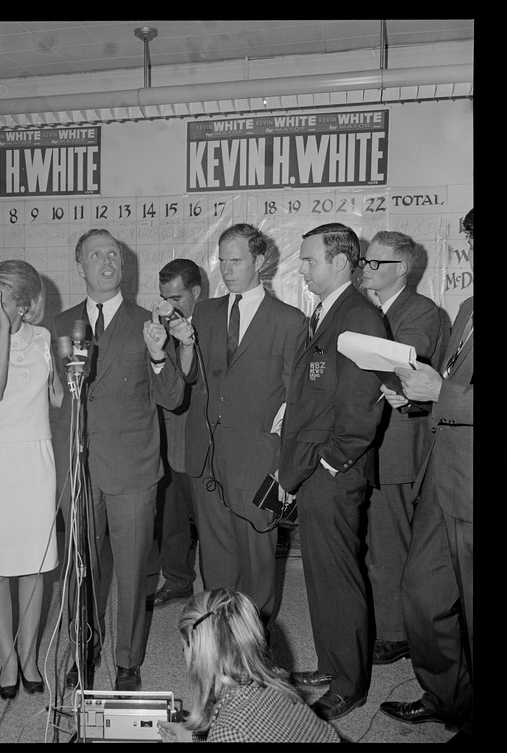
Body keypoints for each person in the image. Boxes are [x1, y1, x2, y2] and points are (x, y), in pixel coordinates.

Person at [49, 228, 183, 692]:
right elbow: (49, 400)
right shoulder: (57, 326)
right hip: (79, 471)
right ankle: (82, 649)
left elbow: (172, 397)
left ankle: (128, 659)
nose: (107, 262)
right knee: (80, 570)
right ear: (79, 264)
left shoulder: (148, 322)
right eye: (96, 255)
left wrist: (158, 354)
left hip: (132, 468)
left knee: (131, 572)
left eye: (114, 255)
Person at [167, 224, 306, 628]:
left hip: (259, 461)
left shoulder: (288, 321)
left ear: (260, 262)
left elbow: (296, 401)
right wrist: (185, 345)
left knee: (258, 562)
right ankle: (217, 639)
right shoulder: (205, 312)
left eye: (236, 261)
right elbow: (189, 379)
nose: (226, 270)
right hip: (207, 458)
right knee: (215, 557)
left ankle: (255, 647)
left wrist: (283, 466)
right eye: (222, 261)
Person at [278, 222, 386, 721]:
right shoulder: (327, 313)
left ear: (340, 261)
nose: (301, 270)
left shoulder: (358, 315)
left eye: (309, 260)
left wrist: (329, 462)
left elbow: (363, 406)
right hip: (316, 465)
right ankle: (330, 664)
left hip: (334, 470)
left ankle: (349, 682)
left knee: (338, 575)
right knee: (320, 574)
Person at [379, 209, 473, 736]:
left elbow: (453, 392)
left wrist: (444, 393)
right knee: (422, 591)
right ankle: (447, 697)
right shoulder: (468, 308)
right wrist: (416, 399)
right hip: (444, 475)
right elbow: (445, 390)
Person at [0, 260, 64, 700]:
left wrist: (75, 369)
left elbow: (57, 396)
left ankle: (29, 654)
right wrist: (3, 330)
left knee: (34, 567)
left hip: (35, 461)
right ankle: (6, 658)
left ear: (23, 304)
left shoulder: (42, 338)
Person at [359, 231, 447, 666]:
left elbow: (406, 361)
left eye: (376, 263)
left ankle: (394, 634)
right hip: (368, 439)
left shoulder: (421, 311)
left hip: (397, 443)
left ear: (403, 270)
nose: (366, 269)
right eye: (365, 261)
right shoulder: (369, 308)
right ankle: (388, 619)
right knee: (376, 541)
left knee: (390, 542)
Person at [157, 589, 340, 743]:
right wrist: (194, 737)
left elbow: (235, 734)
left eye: (185, 646)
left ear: (199, 655)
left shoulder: (229, 731)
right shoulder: (274, 678)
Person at [152, 259, 204, 608]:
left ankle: (218, 589)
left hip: (202, 442)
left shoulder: (214, 324)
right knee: (170, 519)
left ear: (196, 292)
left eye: (176, 298)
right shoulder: (157, 326)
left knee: (209, 522)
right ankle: (177, 580)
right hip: (166, 438)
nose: (168, 307)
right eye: (163, 298)